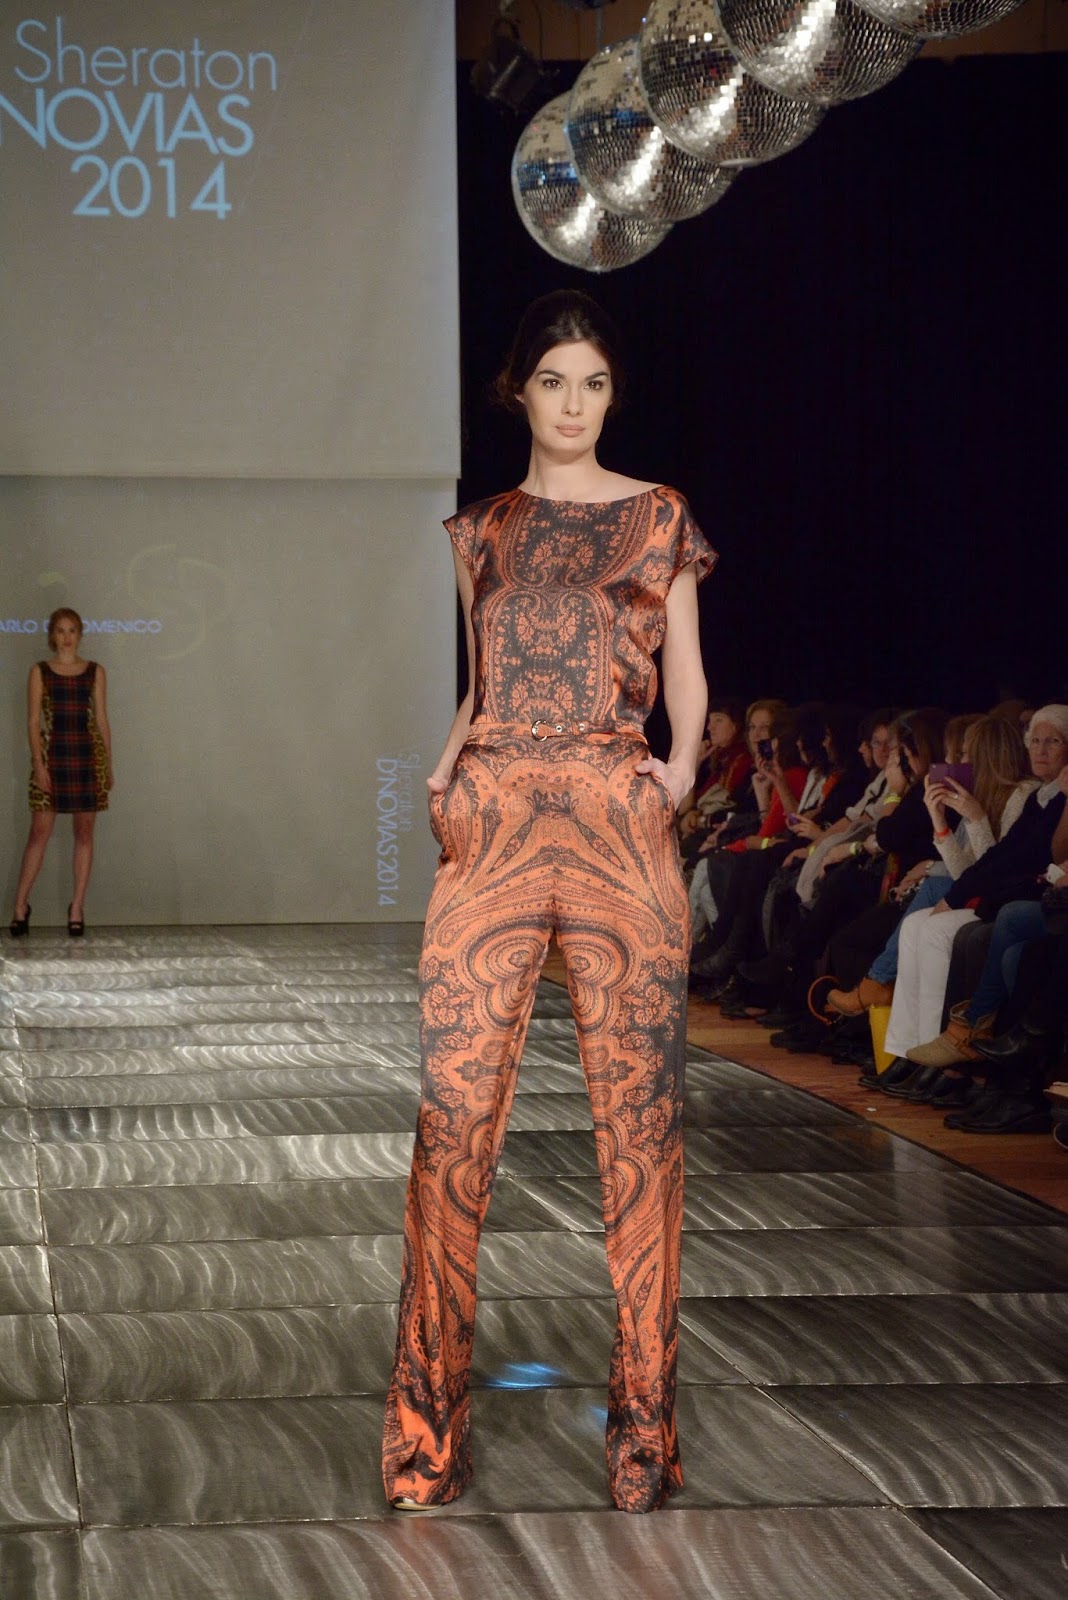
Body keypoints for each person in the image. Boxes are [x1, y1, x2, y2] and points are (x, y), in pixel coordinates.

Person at [381, 291, 715, 1515]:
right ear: (517, 389)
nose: (576, 403)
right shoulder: (480, 531)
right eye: (555, 380)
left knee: (642, 1132)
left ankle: (643, 1435)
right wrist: (442, 770)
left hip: (621, 828)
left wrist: (678, 772)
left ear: (611, 395)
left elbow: (688, 679)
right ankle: (426, 1433)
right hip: (495, 829)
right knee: (452, 1121)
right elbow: (485, 679)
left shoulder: (659, 515)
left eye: (595, 383)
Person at [9, 608, 112, 938]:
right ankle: (20, 906)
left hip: (86, 757)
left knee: (85, 832)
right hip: (52, 756)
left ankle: (77, 907)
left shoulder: (95, 671)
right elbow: (32, 722)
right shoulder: (40, 671)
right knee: (39, 832)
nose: (67, 637)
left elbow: (101, 720)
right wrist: (39, 765)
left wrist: (108, 764)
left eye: (72, 630)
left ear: (80, 634)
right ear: (52, 636)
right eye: (60, 630)